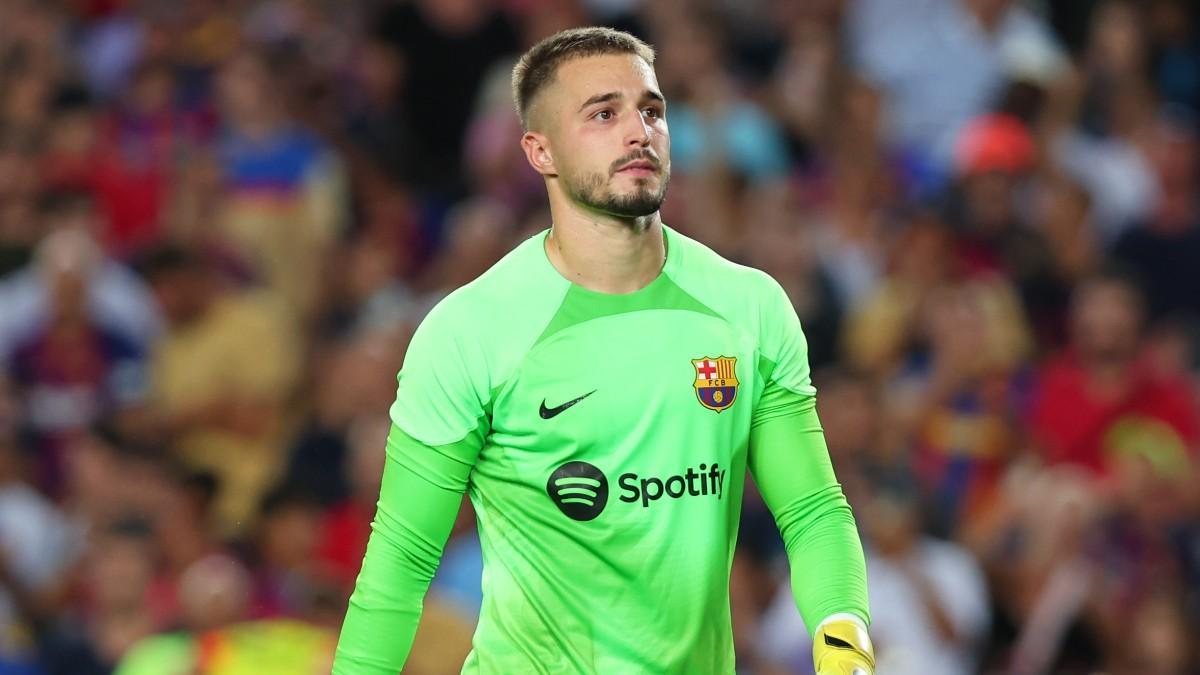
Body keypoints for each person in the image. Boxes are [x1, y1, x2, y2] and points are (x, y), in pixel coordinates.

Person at [333, 27, 874, 675]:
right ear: (541, 151)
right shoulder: (470, 330)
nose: (638, 132)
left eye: (652, 111)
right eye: (603, 114)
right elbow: (401, 561)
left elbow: (812, 512)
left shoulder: (748, 306)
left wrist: (846, 655)